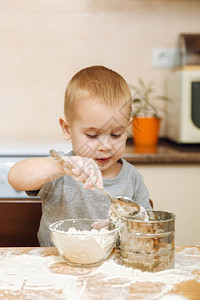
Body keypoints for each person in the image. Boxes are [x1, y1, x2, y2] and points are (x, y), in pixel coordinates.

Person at [8, 65, 151, 246]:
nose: (105, 146)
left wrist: (119, 229)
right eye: (92, 136)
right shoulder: (61, 170)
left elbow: (147, 230)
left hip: (111, 269)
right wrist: (60, 166)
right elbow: (15, 177)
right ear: (68, 129)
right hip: (57, 266)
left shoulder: (132, 179)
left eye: (116, 134)